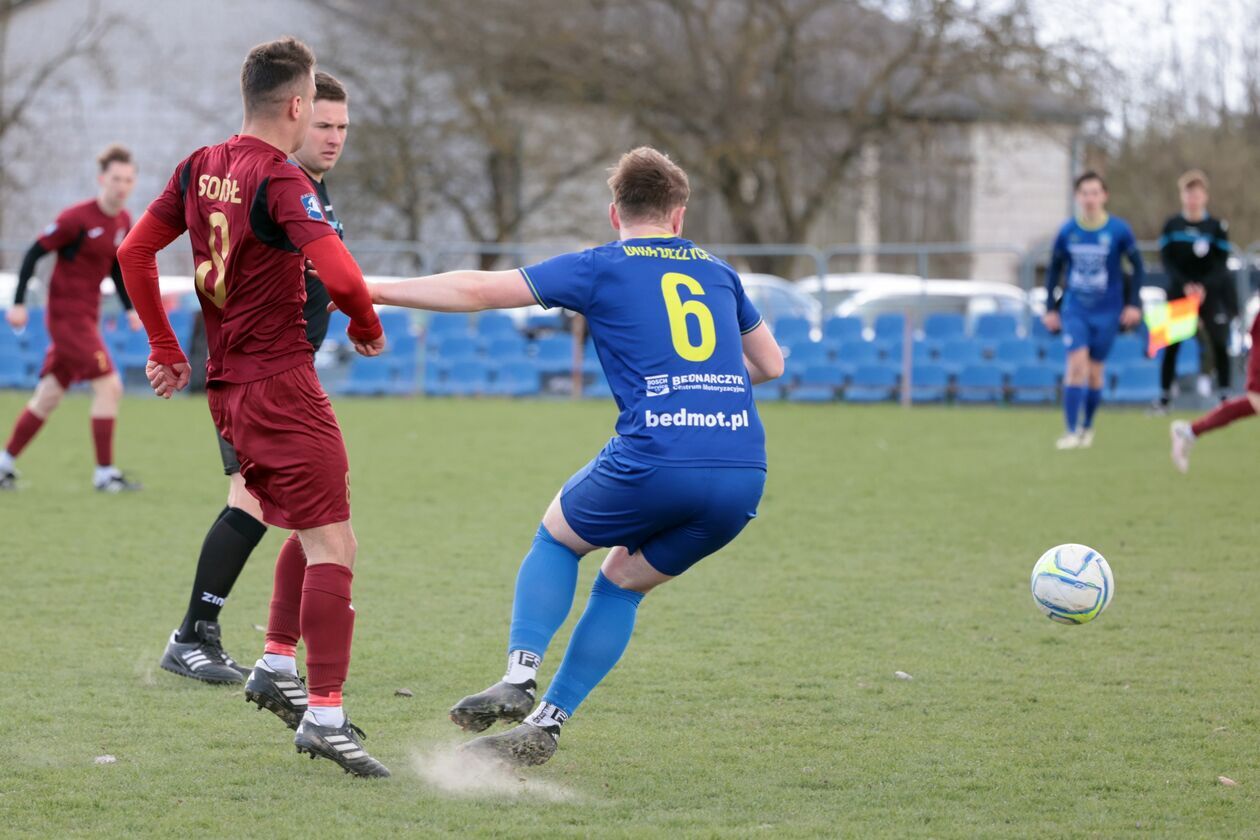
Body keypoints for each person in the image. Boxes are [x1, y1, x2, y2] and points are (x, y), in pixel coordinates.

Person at [363, 147, 784, 766]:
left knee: (557, 539)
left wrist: (370, 288)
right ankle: (548, 724)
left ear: (615, 214)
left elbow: (478, 289)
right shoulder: (719, 273)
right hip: (742, 472)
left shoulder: (599, 266)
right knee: (621, 585)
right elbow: (770, 364)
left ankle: (519, 676)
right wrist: (706, 389)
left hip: (657, 454)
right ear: (679, 215)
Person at [117, 38, 389, 778]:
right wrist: (366, 325)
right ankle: (324, 716)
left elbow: (135, 253)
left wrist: (166, 347)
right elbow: (341, 275)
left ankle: (274, 664)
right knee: (335, 546)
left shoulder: (200, 165)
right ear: (298, 105)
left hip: (230, 387)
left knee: (309, 529)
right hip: (282, 387)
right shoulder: (279, 178)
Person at [158, 71, 351, 687]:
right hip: (254, 376)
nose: (333, 136)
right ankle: (195, 635)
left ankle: (273, 650)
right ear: (294, 115)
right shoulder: (271, 183)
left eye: (342, 126)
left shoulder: (309, 188)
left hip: (286, 375)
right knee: (254, 502)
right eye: (322, 123)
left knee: (302, 515)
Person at [0, 145, 142, 492]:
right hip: (66, 319)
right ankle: (105, 474)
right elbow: (33, 253)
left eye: (128, 180)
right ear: (102, 179)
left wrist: (129, 308)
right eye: (116, 179)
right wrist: (18, 303)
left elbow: (115, 267)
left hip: (87, 319)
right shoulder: (75, 219)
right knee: (110, 386)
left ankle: (3, 464)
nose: (122, 186)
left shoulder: (123, 221)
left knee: (48, 395)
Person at [1041, 171, 1145, 450]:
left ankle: (1087, 427)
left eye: (1095, 193)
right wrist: (1050, 308)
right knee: (1076, 365)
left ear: (1104, 196)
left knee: (1095, 373)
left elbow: (1138, 268)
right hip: (1075, 309)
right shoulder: (1067, 231)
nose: (1090, 198)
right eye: (1085, 193)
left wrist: (1133, 304)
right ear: (1077, 196)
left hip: (1108, 311)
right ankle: (1070, 431)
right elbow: (1053, 270)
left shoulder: (1119, 231)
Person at [1154, 170, 1236, 412]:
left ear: (1205, 196)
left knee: (1219, 342)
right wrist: (1185, 285)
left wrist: (1203, 287)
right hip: (1180, 293)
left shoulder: (1216, 227)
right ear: (1182, 196)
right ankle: (1164, 398)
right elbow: (1167, 261)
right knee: (1171, 346)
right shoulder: (1172, 225)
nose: (1193, 199)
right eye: (1189, 194)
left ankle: (1224, 395)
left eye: (1197, 194)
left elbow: (1221, 263)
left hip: (1210, 294)